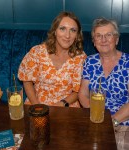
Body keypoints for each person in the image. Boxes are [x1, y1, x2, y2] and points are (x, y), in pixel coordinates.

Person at [78, 17, 129, 150]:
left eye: (108, 35)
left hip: (122, 121)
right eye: (98, 36)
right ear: (94, 42)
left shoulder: (128, 63)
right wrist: (95, 115)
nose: (103, 39)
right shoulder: (89, 62)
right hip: (95, 119)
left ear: (116, 39)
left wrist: (112, 122)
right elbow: (83, 94)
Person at [18, 11, 86, 107]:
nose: (67, 35)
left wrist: (62, 104)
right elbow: (27, 80)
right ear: (55, 31)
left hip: (67, 105)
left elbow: (78, 91)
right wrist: (36, 106)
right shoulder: (37, 52)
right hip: (36, 102)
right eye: (62, 29)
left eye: (73, 30)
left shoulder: (80, 58)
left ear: (77, 35)